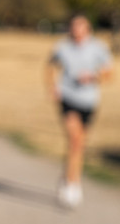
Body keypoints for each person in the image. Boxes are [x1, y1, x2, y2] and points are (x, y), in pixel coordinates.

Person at [45, 14, 113, 208]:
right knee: (74, 139)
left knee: (79, 144)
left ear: (87, 29)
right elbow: (50, 66)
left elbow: (110, 73)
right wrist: (52, 87)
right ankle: (72, 184)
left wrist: (94, 76)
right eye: (73, 27)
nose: (76, 31)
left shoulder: (98, 48)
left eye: (80, 27)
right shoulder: (62, 47)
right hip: (68, 97)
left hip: (89, 101)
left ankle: (69, 177)